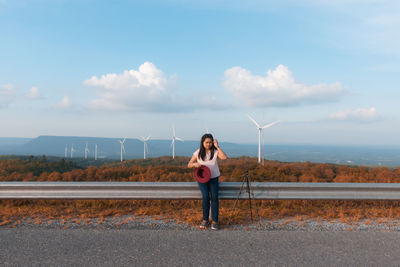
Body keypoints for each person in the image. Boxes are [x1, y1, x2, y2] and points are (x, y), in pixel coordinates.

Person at [188, 133, 227, 230]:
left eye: (210, 142)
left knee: (214, 197)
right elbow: (189, 164)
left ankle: (215, 221)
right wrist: (194, 164)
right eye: (206, 142)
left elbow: (224, 157)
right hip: (202, 179)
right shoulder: (198, 152)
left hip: (214, 178)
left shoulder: (215, 151)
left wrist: (217, 146)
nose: (208, 144)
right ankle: (205, 220)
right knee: (205, 197)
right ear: (202, 143)